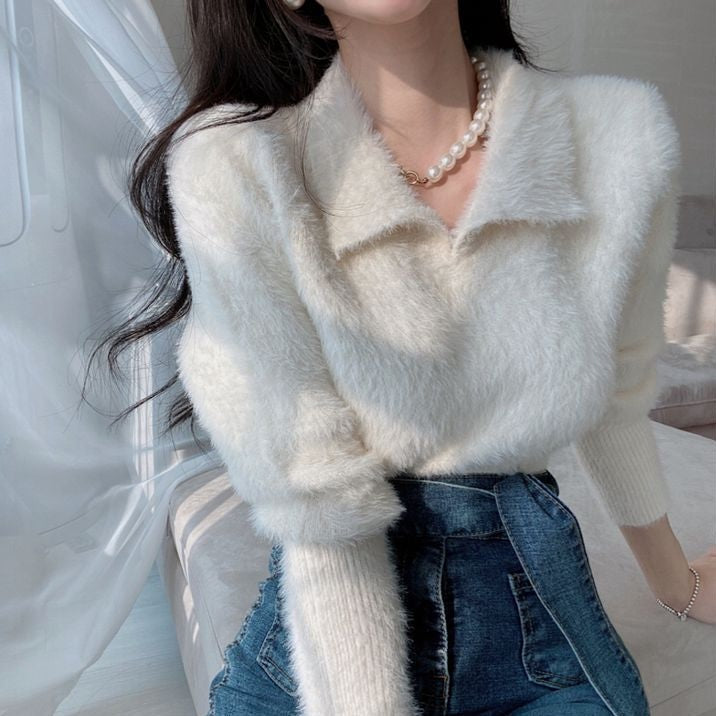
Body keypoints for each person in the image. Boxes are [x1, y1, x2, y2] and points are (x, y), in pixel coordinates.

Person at [113, 1, 716, 714]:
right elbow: (319, 499)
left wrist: (676, 582)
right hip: (329, 652)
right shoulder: (238, 161)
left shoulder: (620, 136)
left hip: (545, 643)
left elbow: (619, 389)